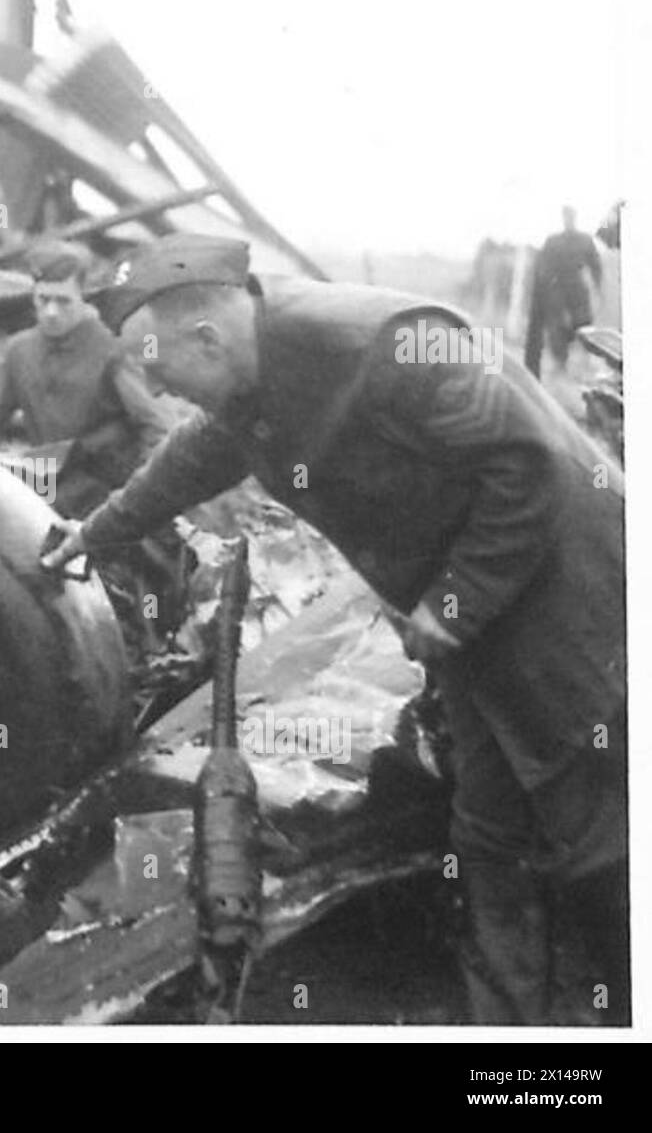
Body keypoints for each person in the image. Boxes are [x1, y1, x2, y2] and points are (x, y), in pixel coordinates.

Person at [43, 234, 627, 1024]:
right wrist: (92, 533)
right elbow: (197, 455)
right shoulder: (249, 376)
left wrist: (451, 606)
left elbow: (532, 465)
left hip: (568, 598)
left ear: (208, 339)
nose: (163, 393)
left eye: (164, 374)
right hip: (466, 615)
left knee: (595, 826)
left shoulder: (390, 348)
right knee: (488, 829)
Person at [0, 240, 169, 518]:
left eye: (63, 301)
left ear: (84, 296)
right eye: (44, 300)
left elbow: (156, 428)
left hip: (105, 491)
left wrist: (140, 499)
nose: (52, 312)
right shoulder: (20, 351)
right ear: (32, 295)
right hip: (47, 480)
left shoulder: (112, 349)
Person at [525, 206, 604, 377]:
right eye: (566, 217)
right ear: (563, 218)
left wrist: (597, 288)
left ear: (575, 218)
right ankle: (560, 363)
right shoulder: (553, 241)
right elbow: (543, 266)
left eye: (571, 216)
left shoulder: (584, 240)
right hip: (557, 288)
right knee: (558, 326)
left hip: (577, 287)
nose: (568, 220)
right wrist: (545, 290)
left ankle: (587, 362)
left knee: (583, 323)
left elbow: (595, 265)